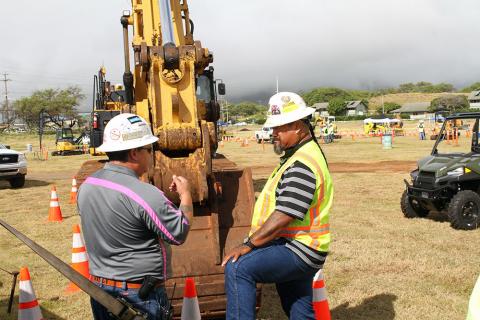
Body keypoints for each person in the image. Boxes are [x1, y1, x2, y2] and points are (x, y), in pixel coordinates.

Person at [222, 92, 333, 320]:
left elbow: (285, 214)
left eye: (280, 128)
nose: (274, 134)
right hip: (302, 246)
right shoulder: (299, 157)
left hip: (299, 249)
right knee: (300, 311)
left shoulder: (302, 163)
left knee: (238, 268)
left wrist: (249, 245)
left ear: (300, 127)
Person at [77, 113, 193, 320]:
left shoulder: (88, 185)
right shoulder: (144, 193)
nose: (152, 155)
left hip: (101, 291)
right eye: (149, 149)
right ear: (134, 153)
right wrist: (185, 195)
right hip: (138, 296)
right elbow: (178, 233)